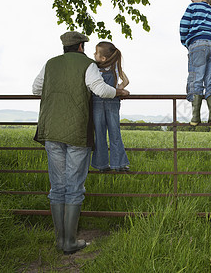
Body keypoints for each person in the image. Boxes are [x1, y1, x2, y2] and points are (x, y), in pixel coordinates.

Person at [32, 31, 129, 255]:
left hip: (51, 129)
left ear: (65, 47)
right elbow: (101, 89)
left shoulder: (50, 64)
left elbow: (36, 89)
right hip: (76, 131)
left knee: (57, 186)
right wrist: (119, 91)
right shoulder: (87, 65)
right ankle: (70, 242)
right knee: (74, 187)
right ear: (81, 47)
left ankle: (60, 241)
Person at [180, 0, 211, 126]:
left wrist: (187, 42)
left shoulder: (192, 7)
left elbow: (183, 26)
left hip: (197, 44)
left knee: (196, 77)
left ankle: (195, 117)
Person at [91, 41, 130, 172]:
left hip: (102, 103)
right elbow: (126, 81)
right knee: (106, 133)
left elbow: (125, 81)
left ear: (103, 58)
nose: (94, 54)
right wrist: (120, 88)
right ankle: (114, 164)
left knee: (110, 133)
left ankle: (109, 165)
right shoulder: (97, 68)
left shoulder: (112, 68)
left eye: (96, 53)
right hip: (109, 103)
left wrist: (120, 88)